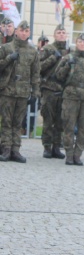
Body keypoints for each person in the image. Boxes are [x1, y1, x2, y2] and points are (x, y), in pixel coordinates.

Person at [55, 33, 84, 165]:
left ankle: (78, 154)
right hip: (71, 96)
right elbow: (58, 77)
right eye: (80, 42)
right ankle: (69, 154)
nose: (82, 44)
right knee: (68, 127)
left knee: (83, 128)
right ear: (76, 43)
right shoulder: (68, 58)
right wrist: (66, 66)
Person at [0, 20, 40, 163]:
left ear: (29, 33)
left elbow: (35, 74)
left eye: (26, 31)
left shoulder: (32, 51)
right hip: (7, 91)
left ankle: (15, 150)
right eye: (21, 31)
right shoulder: (6, 48)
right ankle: (5, 150)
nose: (23, 33)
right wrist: (9, 59)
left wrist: (35, 93)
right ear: (16, 31)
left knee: (18, 123)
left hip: (23, 92)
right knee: (7, 122)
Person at [40, 24, 70, 159]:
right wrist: (53, 58)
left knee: (60, 121)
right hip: (49, 89)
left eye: (64, 32)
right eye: (59, 32)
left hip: (64, 90)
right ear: (54, 35)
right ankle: (47, 146)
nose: (62, 34)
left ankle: (57, 147)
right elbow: (38, 67)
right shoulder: (47, 49)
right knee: (48, 120)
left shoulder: (70, 51)